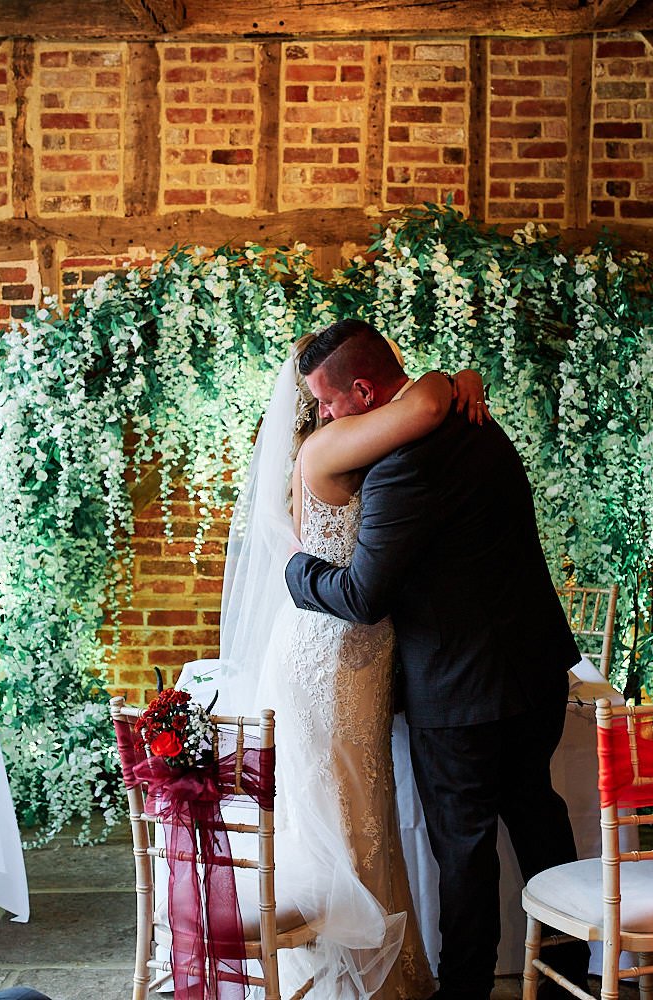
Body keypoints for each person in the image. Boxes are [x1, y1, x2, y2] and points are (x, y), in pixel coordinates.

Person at [284, 320, 589, 1000]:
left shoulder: (398, 468)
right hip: (537, 667)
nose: (326, 417)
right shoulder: (477, 421)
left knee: (465, 854)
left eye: (330, 403)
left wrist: (295, 573)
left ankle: (465, 992)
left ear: (362, 392)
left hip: (459, 694)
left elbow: (363, 596)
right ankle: (569, 978)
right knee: (538, 817)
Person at [230, 328, 487, 1000]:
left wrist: (469, 377)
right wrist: (453, 378)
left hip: (358, 650)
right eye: (314, 404)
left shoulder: (352, 436)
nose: (322, 415)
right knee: (342, 815)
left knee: (362, 808)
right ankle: (347, 981)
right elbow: (426, 402)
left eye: (328, 401)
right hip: (331, 652)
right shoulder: (329, 446)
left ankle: (380, 973)